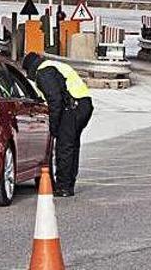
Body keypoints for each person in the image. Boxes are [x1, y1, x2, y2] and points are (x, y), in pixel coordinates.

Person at [22, 52, 94, 197]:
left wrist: (54, 127)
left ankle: (63, 187)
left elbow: (55, 101)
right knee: (72, 147)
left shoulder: (43, 73)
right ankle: (68, 184)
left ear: (30, 68)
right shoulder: (53, 65)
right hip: (83, 105)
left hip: (71, 108)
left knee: (64, 148)